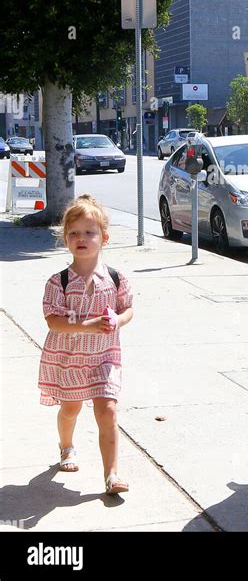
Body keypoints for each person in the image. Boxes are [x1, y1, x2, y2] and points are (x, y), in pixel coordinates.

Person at [39, 194, 134, 495]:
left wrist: (118, 321)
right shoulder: (59, 282)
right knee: (70, 409)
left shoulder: (116, 278)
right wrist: (87, 325)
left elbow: (127, 308)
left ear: (104, 237)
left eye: (89, 232)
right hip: (69, 360)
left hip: (105, 358)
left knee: (107, 410)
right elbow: (53, 321)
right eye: (74, 233)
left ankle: (112, 475)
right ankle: (66, 446)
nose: (81, 238)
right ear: (65, 238)